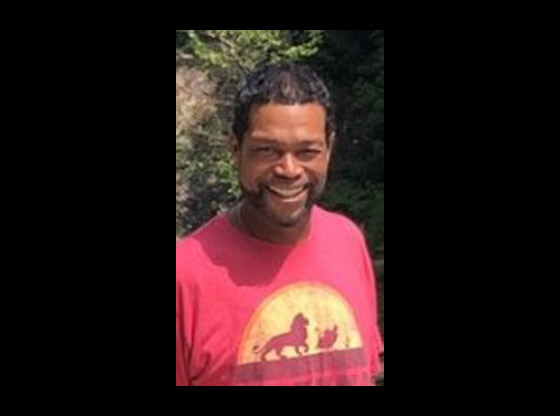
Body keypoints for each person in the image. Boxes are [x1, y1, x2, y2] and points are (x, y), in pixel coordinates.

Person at [176, 63, 383, 386]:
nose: (289, 169)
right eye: (267, 150)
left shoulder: (348, 242)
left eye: (307, 151)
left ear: (329, 148)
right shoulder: (185, 275)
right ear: (235, 148)